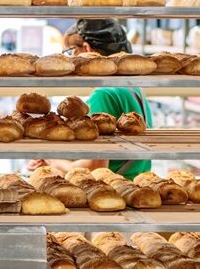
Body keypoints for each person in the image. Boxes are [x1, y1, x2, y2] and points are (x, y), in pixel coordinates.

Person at [31, 18, 154, 178]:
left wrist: (50, 159)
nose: (68, 61)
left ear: (86, 50)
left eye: (69, 52)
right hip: (137, 185)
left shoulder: (103, 94)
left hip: (114, 190)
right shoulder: (130, 87)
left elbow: (96, 167)